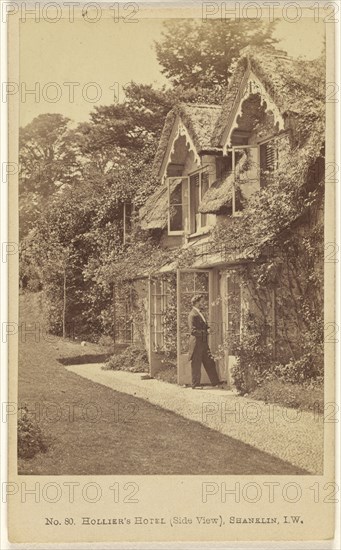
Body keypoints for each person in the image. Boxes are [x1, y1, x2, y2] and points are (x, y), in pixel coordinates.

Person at [188, 295, 222, 389]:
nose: (203, 303)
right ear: (196, 302)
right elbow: (193, 331)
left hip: (203, 343)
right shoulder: (192, 314)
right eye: (202, 302)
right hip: (196, 343)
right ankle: (195, 385)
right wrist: (206, 332)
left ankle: (215, 383)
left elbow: (201, 327)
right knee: (196, 364)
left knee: (210, 362)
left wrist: (208, 328)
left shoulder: (199, 313)